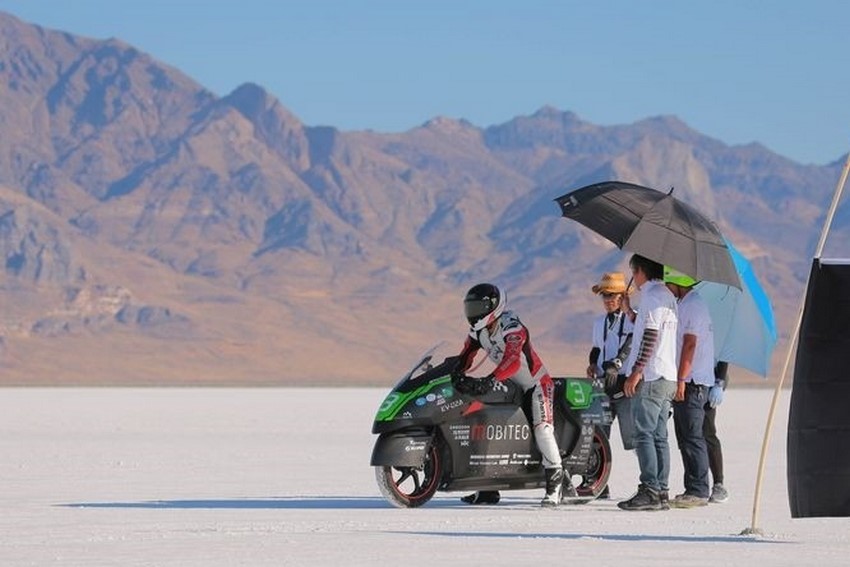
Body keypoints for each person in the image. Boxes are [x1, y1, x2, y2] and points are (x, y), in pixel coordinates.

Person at [454, 283, 567, 507]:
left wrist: (491, 379)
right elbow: (465, 356)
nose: (474, 312)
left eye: (479, 307)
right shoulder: (478, 331)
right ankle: (487, 489)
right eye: (471, 307)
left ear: (494, 307)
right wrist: (454, 373)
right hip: (509, 385)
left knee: (543, 430)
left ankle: (556, 483)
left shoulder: (511, 327)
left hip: (536, 384)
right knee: (486, 424)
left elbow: (513, 361)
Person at [618, 255, 679, 511]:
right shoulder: (666, 296)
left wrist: (636, 371)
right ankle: (662, 490)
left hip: (652, 376)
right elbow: (646, 327)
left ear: (640, 271)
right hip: (668, 376)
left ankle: (650, 489)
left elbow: (651, 336)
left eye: (633, 270)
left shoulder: (653, 297)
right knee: (659, 436)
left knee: (643, 433)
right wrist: (629, 311)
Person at [664, 267, 714, 508]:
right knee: (684, 436)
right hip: (687, 381)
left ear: (677, 281)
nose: (666, 287)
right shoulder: (685, 303)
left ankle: (699, 490)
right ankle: (691, 488)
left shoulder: (693, 305)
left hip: (692, 383)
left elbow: (690, 345)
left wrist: (681, 379)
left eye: (667, 282)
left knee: (692, 437)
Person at [586, 272, 635, 498]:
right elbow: (596, 348)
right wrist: (592, 365)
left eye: (612, 295)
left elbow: (631, 345)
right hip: (603, 387)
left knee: (634, 438)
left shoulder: (632, 320)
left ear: (622, 296)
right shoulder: (599, 323)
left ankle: (650, 484)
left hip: (625, 387)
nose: (608, 300)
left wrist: (617, 363)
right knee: (598, 436)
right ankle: (599, 484)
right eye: (604, 295)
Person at [705, 361, 730, 503]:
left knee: (707, 432)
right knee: (688, 436)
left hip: (711, 378)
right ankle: (696, 486)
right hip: (682, 375)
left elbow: (724, 352)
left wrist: (719, 382)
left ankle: (718, 484)